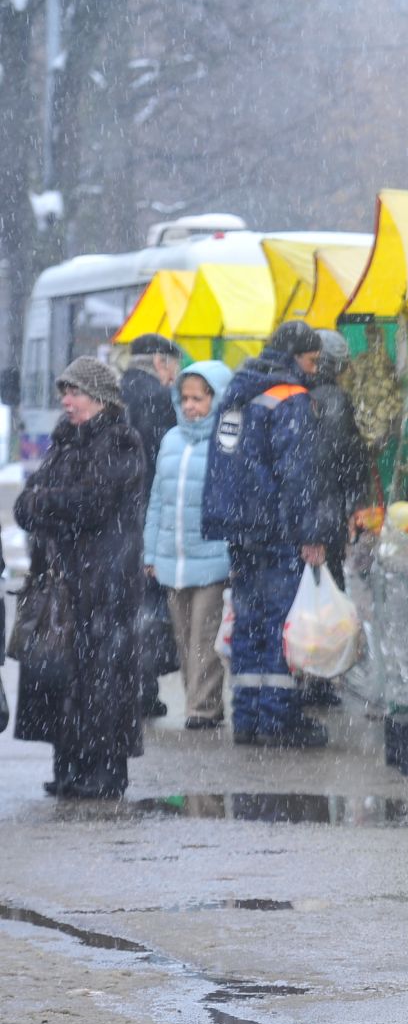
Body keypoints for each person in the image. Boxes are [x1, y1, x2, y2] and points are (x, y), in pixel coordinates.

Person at [12, 357, 149, 798]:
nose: (66, 402)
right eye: (64, 394)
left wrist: (43, 504)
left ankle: (106, 771)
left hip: (106, 583)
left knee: (103, 680)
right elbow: (25, 503)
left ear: (100, 398)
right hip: (64, 582)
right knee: (62, 677)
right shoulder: (64, 442)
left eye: (75, 393)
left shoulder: (120, 442)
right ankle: (69, 765)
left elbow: (91, 504)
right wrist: (45, 504)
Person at [201, 319, 339, 748]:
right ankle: (278, 720)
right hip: (278, 530)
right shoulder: (290, 397)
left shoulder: (238, 393)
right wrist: (311, 533)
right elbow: (298, 475)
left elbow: (224, 465)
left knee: (249, 622)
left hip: (241, 529)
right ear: (295, 357)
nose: (315, 370)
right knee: (280, 623)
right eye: (313, 360)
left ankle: (248, 717)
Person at [143, 360, 234, 730]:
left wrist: (232, 552)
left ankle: (204, 708)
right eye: (186, 398)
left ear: (218, 398)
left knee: (205, 638)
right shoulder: (171, 440)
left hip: (212, 558)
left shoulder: (227, 442)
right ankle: (198, 702)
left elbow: (233, 503)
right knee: (183, 639)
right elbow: (157, 502)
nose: (191, 406)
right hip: (172, 560)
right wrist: (150, 553)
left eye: (199, 398)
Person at [301, 330, 371, 708]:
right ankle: (319, 678)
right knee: (326, 594)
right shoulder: (335, 401)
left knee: (309, 593)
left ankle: (306, 675)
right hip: (323, 515)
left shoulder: (295, 396)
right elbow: (344, 461)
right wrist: (352, 506)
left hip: (302, 515)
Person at [123, 334, 184, 720]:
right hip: (147, 518)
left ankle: (125, 688)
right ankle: (144, 689)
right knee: (148, 610)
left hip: (117, 522)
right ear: (160, 362)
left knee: (125, 611)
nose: (174, 377)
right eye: (173, 368)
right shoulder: (159, 400)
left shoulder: (113, 391)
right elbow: (167, 465)